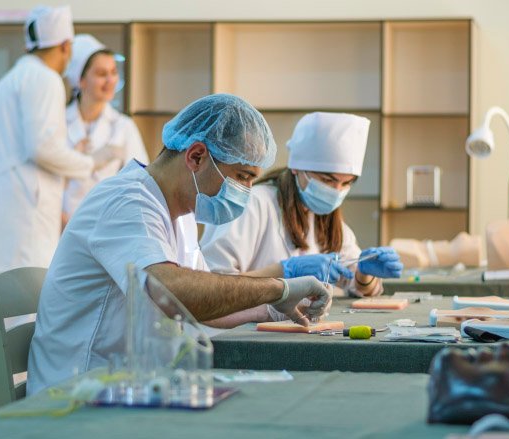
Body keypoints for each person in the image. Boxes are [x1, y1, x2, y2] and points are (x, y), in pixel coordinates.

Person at [27, 94, 332, 395]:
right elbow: (171, 293)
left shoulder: (181, 213)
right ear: (196, 156)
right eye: (242, 177)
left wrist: (272, 310)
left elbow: (198, 307)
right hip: (78, 397)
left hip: (129, 386)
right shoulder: (126, 201)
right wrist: (279, 288)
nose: (247, 192)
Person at [0, 5, 98, 417]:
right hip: (20, 219)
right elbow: (40, 147)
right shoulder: (44, 79)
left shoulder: (15, 77)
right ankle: (1, 423)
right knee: (11, 324)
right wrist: (87, 165)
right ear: (65, 46)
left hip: (5, 216)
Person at [199, 112, 402, 326]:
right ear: (297, 168)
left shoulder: (327, 218)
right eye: (327, 180)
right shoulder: (254, 204)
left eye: (347, 183)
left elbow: (358, 286)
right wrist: (285, 271)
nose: (336, 191)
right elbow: (212, 288)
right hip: (237, 336)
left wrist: (363, 273)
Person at [62, 34, 149, 224]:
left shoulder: (124, 126)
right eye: (102, 74)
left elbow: (141, 184)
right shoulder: (58, 123)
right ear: (81, 80)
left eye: (113, 72)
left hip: (107, 227)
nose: (111, 80)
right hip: (60, 226)